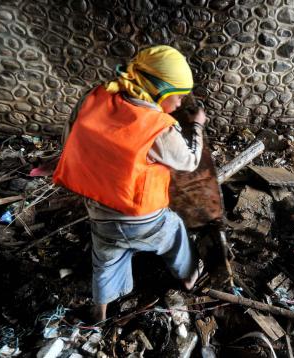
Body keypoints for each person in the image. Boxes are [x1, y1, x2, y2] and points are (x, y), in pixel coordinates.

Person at [53, 45, 206, 322]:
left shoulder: (94, 97)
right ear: (158, 90)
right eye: (177, 97)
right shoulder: (158, 127)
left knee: (105, 259)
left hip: (99, 211)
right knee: (175, 231)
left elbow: (69, 140)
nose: (180, 105)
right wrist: (197, 126)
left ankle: (99, 312)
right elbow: (190, 161)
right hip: (142, 218)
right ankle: (188, 278)